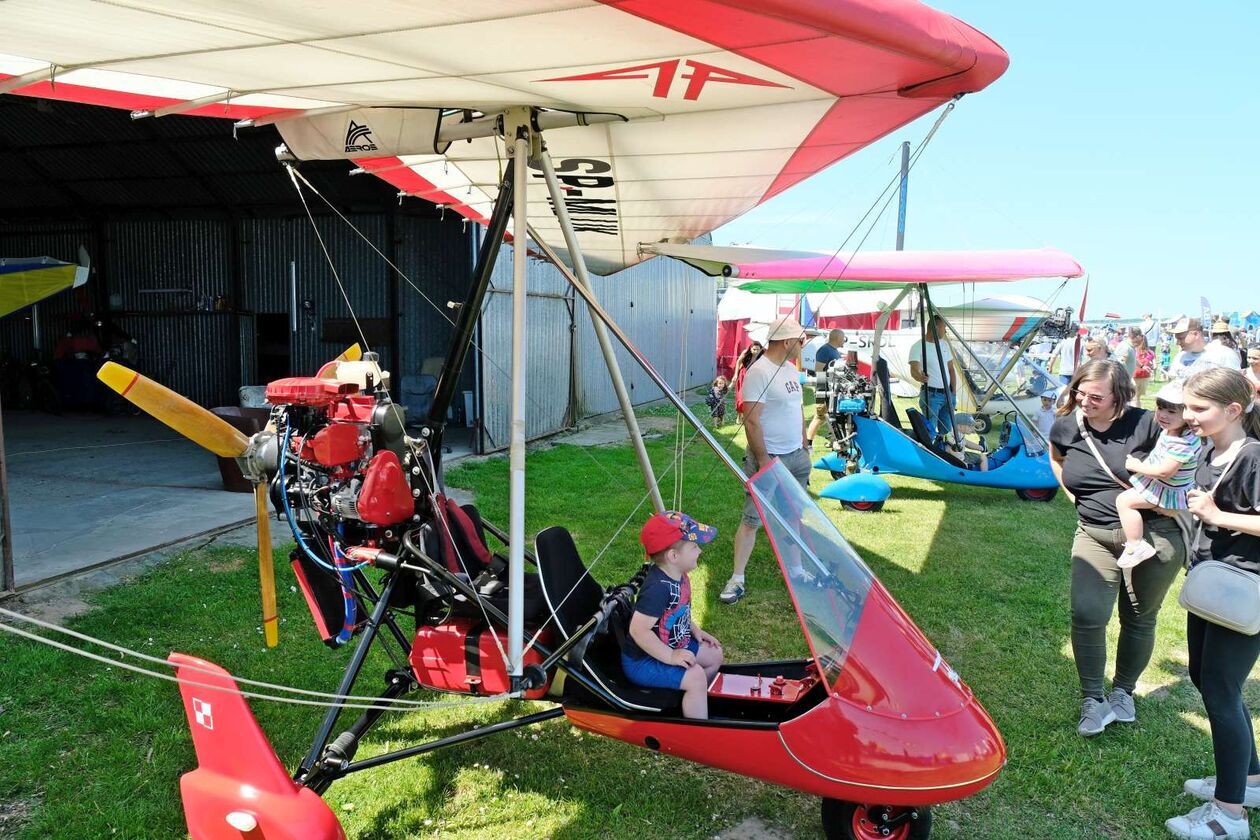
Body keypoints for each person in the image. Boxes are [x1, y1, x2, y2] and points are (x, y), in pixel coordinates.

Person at [1048, 359, 1185, 737]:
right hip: (1093, 533)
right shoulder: (1066, 425)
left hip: (1157, 536)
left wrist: (1166, 500)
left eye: (1096, 396)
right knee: (1087, 613)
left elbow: (1189, 459)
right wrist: (1070, 493)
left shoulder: (1147, 423)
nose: (1084, 401)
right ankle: (1092, 698)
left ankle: (1123, 691)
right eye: (1079, 392)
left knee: (1139, 616)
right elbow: (1056, 457)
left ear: (1119, 396)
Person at [1164, 368, 1260, 840]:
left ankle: (1229, 815)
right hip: (1212, 582)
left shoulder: (1253, 457)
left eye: (1199, 408)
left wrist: (1216, 515)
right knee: (1206, 679)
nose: (1188, 416)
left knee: (1220, 691)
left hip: (1245, 589)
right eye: (1187, 406)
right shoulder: (1209, 451)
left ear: (1233, 410)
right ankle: (1251, 782)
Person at [720, 317, 810, 605]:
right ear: (786, 342)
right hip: (770, 458)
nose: (803, 344)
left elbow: (797, 411)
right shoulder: (759, 372)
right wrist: (763, 460)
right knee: (752, 519)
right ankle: (737, 578)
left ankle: (796, 571)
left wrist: (805, 443)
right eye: (801, 340)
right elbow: (751, 421)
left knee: (793, 515)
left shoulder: (790, 370)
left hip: (797, 456)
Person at [622, 511, 724, 720]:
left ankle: (687, 699)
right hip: (643, 660)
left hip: (673, 644)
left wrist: (695, 629)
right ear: (673, 556)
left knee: (714, 654)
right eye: (694, 546)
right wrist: (670, 656)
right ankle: (698, 730)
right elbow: (638, 631)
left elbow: (677, 610)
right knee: (695, 677)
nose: (700, 551)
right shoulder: (658, 589)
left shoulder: (679, 574)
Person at [1114, 380, 1201, 567]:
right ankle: (1168, 509)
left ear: (1187, 413)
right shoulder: (1175, 432)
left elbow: (1165, 472)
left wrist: (1137, 466)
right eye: (1160, 408)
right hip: (1168, 487)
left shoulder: (1180, 442)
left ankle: (1136, 545)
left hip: (1166, 489)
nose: (1163, 415)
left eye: (1171, 411)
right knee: (1162, 509)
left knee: (1124, 501)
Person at [908, 315, 957, 440]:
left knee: (946, 430)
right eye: (944, 327)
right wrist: (920, 377)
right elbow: (914, 369)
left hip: (948, 394)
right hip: (931, 395)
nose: (945, 331)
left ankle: (943, 452)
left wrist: (953, 392)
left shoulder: (944, 344)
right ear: (935, 327)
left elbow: (951, 369)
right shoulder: (917, 346)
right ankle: (928, 455)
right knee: (929, 431)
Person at [807, 328, 845, 450]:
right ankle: (808, 444)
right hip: (823, 389)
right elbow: (818, 371)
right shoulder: (825, 350)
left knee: (831, 415)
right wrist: (822, 392)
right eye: (843, 337)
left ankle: (834, 440)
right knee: (819, 416)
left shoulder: (834, 351)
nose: (844, 340)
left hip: (831, 390)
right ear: (838, 338)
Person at [1169, 317, 1240, 381]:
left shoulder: (1224, 354)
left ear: (1196, 334)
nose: (1177, 343)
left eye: (1181, 338)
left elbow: (1236, 385)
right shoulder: (1180, 357)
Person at [732, 340, 764, 417]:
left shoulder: (762, 357)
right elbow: (738, 362)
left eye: (758, 349)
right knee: (740, 397)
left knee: (749, 398)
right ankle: (739, 415)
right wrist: (736, 374)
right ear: (750, 349)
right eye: (754, 349)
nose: (756, 351)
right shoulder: (745, 353)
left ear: (760, 349)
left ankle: (746, 415)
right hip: (743, 376)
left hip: (753, 379)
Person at [1131, 328, 1155, 406]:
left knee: (1134, 398)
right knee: (1138, 397)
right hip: (1145, 376)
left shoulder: (1133, 351)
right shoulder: (1150, 352)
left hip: (1135, 374)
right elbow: (1153, 365)